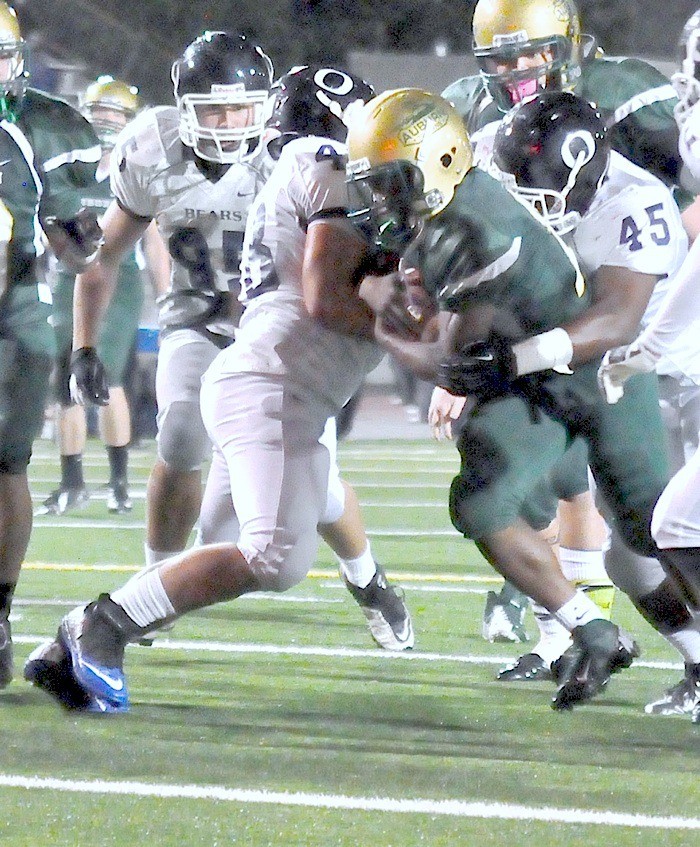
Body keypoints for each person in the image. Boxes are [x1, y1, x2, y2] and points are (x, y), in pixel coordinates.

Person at [24, 63, 412, 714]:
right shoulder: (316, 168)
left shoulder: (302, 175)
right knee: (274, 550)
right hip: (257, 373)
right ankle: (102, 627)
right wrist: (428, 342)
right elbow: (336, 293)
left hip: (269, 374)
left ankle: (82, 639)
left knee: (260, 532)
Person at [347, 88, 677, 711]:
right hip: (531, 378)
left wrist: (378, 326)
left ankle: (693, 653)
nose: (382, 199)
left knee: (655, 530)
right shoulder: (473, 187)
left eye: (392, 182)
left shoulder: (481, 231)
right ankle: (593, 630)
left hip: (601, 375)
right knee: (484, 498)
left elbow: (456, 359)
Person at [442, 0, 699, 646]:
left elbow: (690, 206)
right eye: (503, 58)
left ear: (570, 45)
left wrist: (641, 274)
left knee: (659, 526)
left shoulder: (625, 96)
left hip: (650, 320)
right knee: (620, 527)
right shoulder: (471, 112)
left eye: (532, 53)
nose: (520, 69)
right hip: (561, 332)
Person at [66, 31, 274, 567]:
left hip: (281, 327)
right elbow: (104, 256)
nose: (230, 124)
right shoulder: (152, 150)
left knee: (308, 489)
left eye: (240, 108)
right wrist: (84, 346)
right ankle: (154, 577)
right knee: (181, 434)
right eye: (215, 111)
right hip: (197, 316)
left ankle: (365, 575)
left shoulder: (289, 154)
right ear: (184, 111)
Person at [0, 1, 102, 688]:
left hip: (14, 316)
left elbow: (75, 245)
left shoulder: (42, 127)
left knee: (5, 466)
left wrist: (79, 236)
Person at [37, 76, 169, 516]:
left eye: (115, 114)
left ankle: (118, 482)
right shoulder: (70, 166)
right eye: (101, 112)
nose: (106, 121)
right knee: (64, 383)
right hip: (67, 280)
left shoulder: (131, 169)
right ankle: (72, 481)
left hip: (119, 280)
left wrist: (167, 296)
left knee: (108, 378)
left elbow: (152, 242)